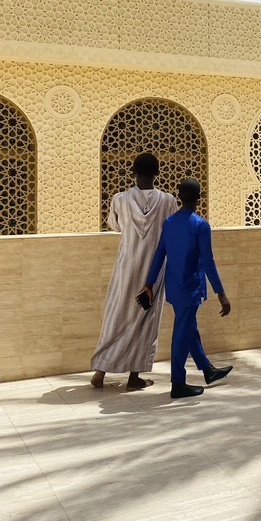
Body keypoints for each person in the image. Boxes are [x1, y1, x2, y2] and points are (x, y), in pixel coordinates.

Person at [91, 153, 177, 391]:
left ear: (133, 172)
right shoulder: (168, 201)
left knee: (116, 317)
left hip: (125, 271)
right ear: (158, 173)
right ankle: (134, 377)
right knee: (145, 319)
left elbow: (115, 225)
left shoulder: (120, 199)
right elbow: (171, 230)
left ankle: (101, 370)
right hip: (152, 273)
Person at [141, 178, 232, 400]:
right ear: (199, 199)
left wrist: (150, 283)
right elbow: (208, 262)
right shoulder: (200, 225)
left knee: (188, 327)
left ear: (179, 198)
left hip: (174, 288)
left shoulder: (169, 222)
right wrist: (221, 293)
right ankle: (178, 384)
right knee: (182, 334)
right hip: (191, 287)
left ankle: (207, 370)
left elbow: (160, 254)